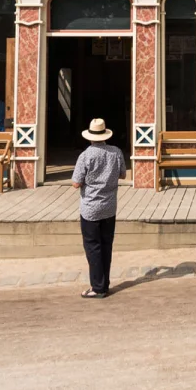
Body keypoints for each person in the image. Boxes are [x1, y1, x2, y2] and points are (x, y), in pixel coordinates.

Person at [71, 117, 126, 298]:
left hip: (90, 207)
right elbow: (123, 175)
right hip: (109, 206)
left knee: (93, 247)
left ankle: (98, 287)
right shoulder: (116, 152)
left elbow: (76, 183)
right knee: (106, 245)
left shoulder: (86, 155)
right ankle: (104, 283)